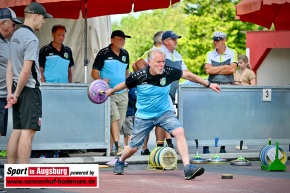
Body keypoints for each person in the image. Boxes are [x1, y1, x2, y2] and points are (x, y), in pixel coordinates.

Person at [106, 48, 220, 179]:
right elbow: (124, 84)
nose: (161, 65)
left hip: (164, 112)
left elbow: (188, 75)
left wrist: (208, 84)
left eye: (163, 62)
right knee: (133, 147)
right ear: (149, 62)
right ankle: (120, 161)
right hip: (144, 117)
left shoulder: (168, 72)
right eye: (158, 62)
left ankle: (188, 167)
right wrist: (111, 91)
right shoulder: (139, 76)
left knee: (179, 131)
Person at [5, 2, 52, 164]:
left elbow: (10, 65)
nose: (43, 21)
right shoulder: (31, 38)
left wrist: (12, 92)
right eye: (43, 18)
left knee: (17, 130)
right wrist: (16, 94)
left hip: (16, 86)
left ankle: (12, 172)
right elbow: (26, 70)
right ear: (35, 16)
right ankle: (23, 175)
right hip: (29, 88)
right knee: (28, 131)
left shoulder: (15, 35)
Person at [91, 30, 130, 160]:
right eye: (120, 39)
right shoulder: (103, 53)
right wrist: (102, 82)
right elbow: (94, 73)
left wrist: (128, 84)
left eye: (124, 39)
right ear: (112, 40)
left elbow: (126, 72)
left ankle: (109, 149)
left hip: (123, 92)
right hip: (108, 92)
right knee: (115, 117)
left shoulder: (125, 54)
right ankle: (118, 147)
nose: (123, 41)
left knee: (119, 122)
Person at [204, 31, 238, 153]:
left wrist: (215, 69)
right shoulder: (209, 53)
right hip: (212, 87)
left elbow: (232, 69)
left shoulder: (233, 52)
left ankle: (222, 146)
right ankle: (206, 145)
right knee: (210, 117)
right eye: (214, 39)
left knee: (224, 117)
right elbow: (208, 71)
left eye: (218, 39)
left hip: (227, 87)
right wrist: (225, 67)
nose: (215, 42)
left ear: (224, 40)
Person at [0, 7, 22, 191]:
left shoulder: (7, 43)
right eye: (12, 24)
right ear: (3, 23)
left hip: (3, 96)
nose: (14, 28)